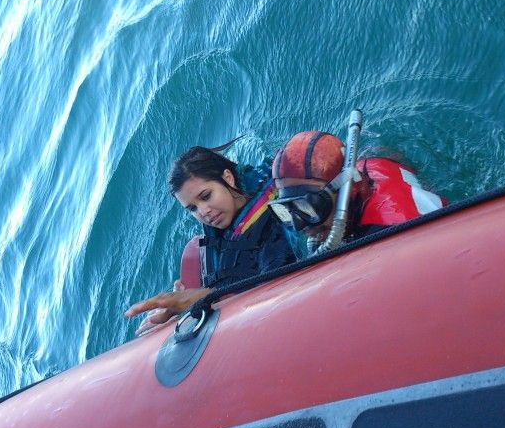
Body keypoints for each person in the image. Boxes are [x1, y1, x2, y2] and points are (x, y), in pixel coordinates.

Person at [125, 143, 297, 335]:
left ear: (229, 178)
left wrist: (205, 298)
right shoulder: (223, 218)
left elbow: (275, 295)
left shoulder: (274, 222)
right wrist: (179, 309)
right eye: (192, 208)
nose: (203, 212)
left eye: (206, 196)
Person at [269, 130, 445, 244]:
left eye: (309, 206)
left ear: (349, 188)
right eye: (286, 209)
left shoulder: (390, 235)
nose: (300, 226)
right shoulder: (366, 164)